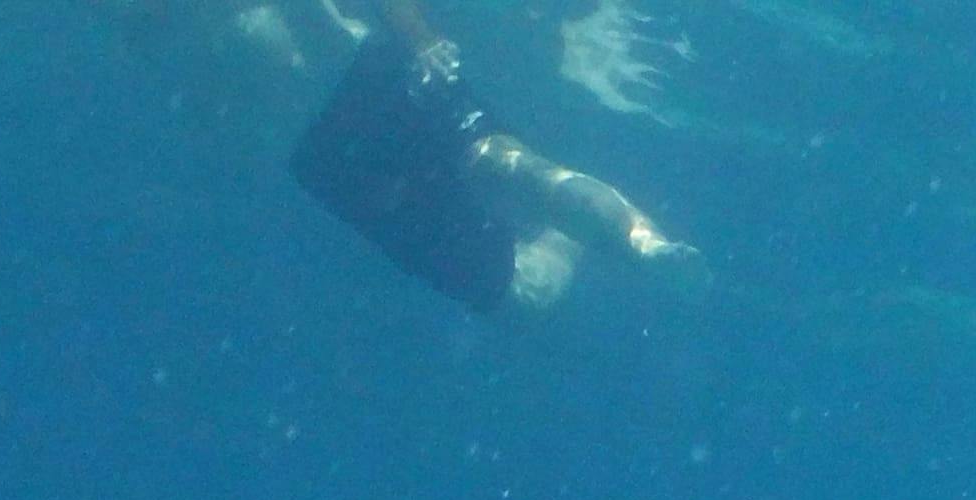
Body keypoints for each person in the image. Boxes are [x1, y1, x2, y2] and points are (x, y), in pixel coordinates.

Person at [286, 0, 694, 317]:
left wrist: (422, 44)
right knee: (524, 285)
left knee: (523, 244)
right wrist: (422, 43)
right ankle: (636, 243)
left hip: (369, 106)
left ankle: (639, 243)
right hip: (357, 120)